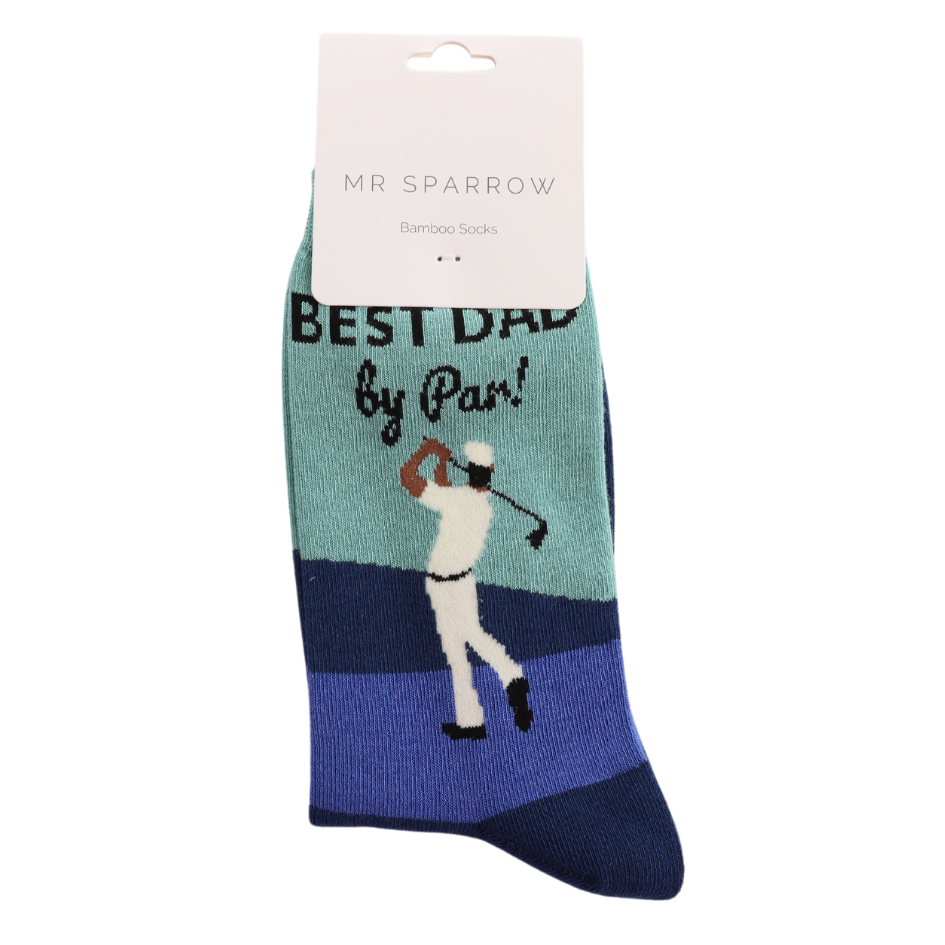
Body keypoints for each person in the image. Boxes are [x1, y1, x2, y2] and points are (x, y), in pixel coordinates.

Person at [400, 438, 533, 740]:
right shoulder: (479, 505)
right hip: (462, 582)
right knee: (471, 639)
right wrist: (441, 463)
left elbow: (408, 478)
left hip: (445, 585)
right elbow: (444, 489)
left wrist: (427, 451)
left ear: (470, 470)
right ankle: (508, 681)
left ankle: (477, 715)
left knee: (457, 651)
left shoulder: (458, 499)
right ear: (491, 471)